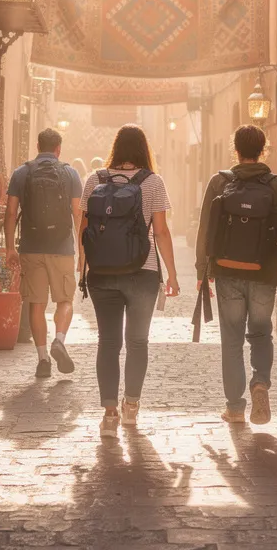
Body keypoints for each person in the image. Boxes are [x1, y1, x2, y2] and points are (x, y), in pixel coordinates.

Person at [77, 125, 180, 438]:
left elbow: (82, 229)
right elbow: (160, 231)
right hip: (143, 272)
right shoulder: (153, 181)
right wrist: (172, 274)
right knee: (138, 342)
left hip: (102, 274)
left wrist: (82, 267)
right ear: (143, 149)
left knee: (108, 342)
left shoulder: (94, 179)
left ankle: (109, 414)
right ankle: (131, 406)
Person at [194, 125, 277, 426]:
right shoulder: (276, 186)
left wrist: (202, 271)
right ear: (263, 149)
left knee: (232, 340)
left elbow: (205, 230)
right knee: (261, 332)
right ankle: (261, 383)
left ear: (235, 150)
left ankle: (235, 408)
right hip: (264, 273)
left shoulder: (219, 182)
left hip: (227, 272)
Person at [4, 129, 83, 379]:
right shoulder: (70, 174)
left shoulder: (21, 173)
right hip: (62, 248)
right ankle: (59, 339)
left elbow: (9, 213)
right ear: (59, 148)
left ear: (38, 146)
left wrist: (9, 248)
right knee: (65, 300)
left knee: (36, 304)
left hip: (31, 247)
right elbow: (78, 216)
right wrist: (82, 252)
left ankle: (42, 360)